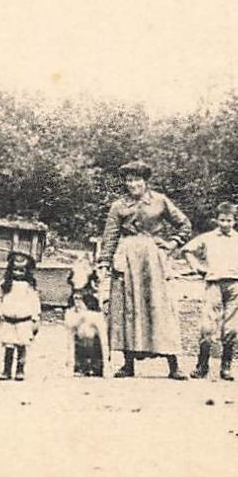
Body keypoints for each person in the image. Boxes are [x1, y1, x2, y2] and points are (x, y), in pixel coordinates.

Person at [95, 160, 191, 380]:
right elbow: (110, 237)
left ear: (145, 181)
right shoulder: (119, 206)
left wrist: (173, 243)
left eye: (137, 179)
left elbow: (184, 224)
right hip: (126, 258)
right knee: (127, 307)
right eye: (129, 180)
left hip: (152, 260)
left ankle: (173, 365)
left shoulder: (159, 201)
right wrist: (104, 263)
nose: (133, 184)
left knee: (160, 307)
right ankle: (128, 364)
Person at [182, 202, 238, 381]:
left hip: (235, 286)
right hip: (214, 284)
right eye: (222, 220)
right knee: (207, 326)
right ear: (216, 220)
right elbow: (187, 250)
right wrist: (198, 268)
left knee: (231, 328)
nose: (225, 224)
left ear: (234, 221)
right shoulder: (208, 238)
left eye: (229, 220)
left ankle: (226, 367)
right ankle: (202, 366)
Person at [0, 251, 43, 381]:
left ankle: (20, 370)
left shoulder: (29, 286)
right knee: (9, 347)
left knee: (22, 346)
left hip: (23, 321)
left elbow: (35, 302)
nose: (18, 273)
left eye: (22, 270)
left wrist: (35, 317)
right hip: (8, 320)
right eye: (15, 269)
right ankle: (6, 370)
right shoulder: (5, 284)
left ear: (27, 271)